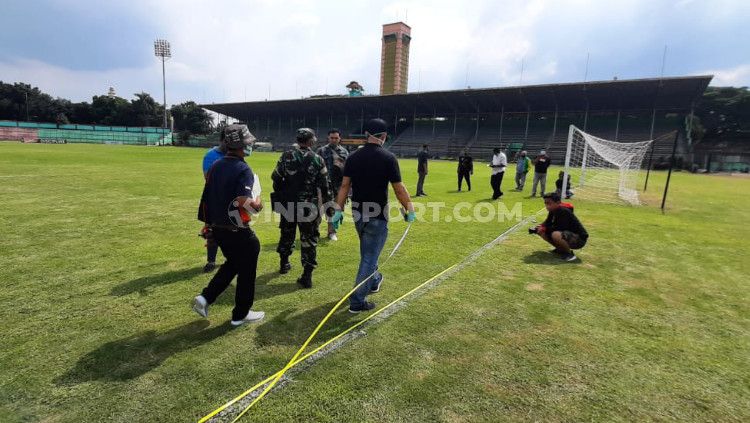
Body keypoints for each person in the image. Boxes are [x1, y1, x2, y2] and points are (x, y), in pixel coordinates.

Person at [331, 118, 415, 313]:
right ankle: (357, 301)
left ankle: (375, 280)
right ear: (383, 136)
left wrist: (338, 210)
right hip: (377, 215)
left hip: (358, 213)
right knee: (369, 256)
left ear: (367, 135)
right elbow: (399, 189)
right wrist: (409, 210)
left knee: (369, 252)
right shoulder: (388, 158)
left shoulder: (353, 157)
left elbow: (345, 186)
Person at [193, 124, 265, 326]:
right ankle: (241, 314)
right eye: (249, 143)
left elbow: (207, 196)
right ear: (242, 145)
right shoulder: (243, 168)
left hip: (218, 227)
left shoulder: (216, 165)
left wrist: (208, 225)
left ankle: (206, 297)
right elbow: (243, 200)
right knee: (248, 265)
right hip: (237, 229)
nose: (251, 145)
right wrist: (258, 205)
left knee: (234, 263)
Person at [271, 128, 333, 289]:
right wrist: (328, 208)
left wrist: (283, 192)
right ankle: (307, 275)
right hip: (309, 206)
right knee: (309, 239)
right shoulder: (318, 159)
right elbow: (325, 186)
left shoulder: (286, 156)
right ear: (311, 141)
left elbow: (276, 177)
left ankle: (284, 264)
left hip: (289, 204)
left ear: (298, 140)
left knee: (286, 233)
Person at [531, 192, 588, 262]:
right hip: (567, 235)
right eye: (545, 203)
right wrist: (541, 226)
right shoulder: (553, 210)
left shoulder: (564, 211)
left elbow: (560, 228)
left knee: (556, 234)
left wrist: (545, 228)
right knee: (541, 231)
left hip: (579, 239)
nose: (546, 206)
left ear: (558, 203)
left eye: (549, 203)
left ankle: (569, 254)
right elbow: (547, 222)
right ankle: (560, 249)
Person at [316, 128, 349, 241]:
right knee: (318, 209)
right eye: (332, 138)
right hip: (322, 186)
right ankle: (314, 232)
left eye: (336, 138)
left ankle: (331, 232)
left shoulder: (345, 152)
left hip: (337, 186)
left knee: (333, 210)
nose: (334, 140)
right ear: (328, 138)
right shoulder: (320, 151)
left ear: (340, 138)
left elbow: (348, 171)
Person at [200, 142, 227, 273]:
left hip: (230, 200)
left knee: (230, 230)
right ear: (224, 140)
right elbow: (207, 177)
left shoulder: (233, 154)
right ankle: (211, 261)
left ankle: (230, 259)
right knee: (211, 230)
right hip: (213, 198)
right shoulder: (211, 155)